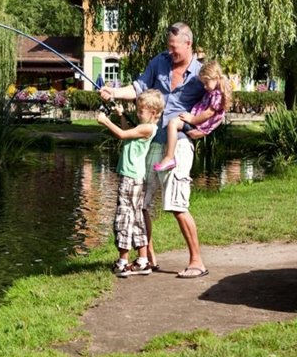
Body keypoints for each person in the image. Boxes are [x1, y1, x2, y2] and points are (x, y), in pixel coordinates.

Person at [100, 22, 209, 278]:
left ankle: (197, 262)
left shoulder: (201, 73)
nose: (170, 52)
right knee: (141, 203)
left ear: (188, 44)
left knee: (176, 204)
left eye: (174, 47)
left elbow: (218, 103)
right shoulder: (159, 62)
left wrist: (204, 129)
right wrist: (113, 91)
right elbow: (138, 88)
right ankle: (147, 259)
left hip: (178, 143)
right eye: (168, 47)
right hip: (151, 142)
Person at [96, 89, 164, 277]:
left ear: (153, 113)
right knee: (136, 218)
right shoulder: (145, 127)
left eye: (141, 110)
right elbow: (128, 133)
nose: (137, 113)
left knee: (124, 217)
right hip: (136, 178)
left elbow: (121, 135)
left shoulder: (147, 128)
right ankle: (142, 261)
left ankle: (122, 263)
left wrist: (105, 121)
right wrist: (121, 116)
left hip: (130, 178)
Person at [154, 60, 231, 172]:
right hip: (197, 124)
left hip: (197, 125)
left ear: (215, 78)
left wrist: (192, 119)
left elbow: (209, 113)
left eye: (206, 83)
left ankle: (169, 157)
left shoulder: (217, 95)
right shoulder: (214, 92)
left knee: (172, 123)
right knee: (174, 124)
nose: (205, 87)